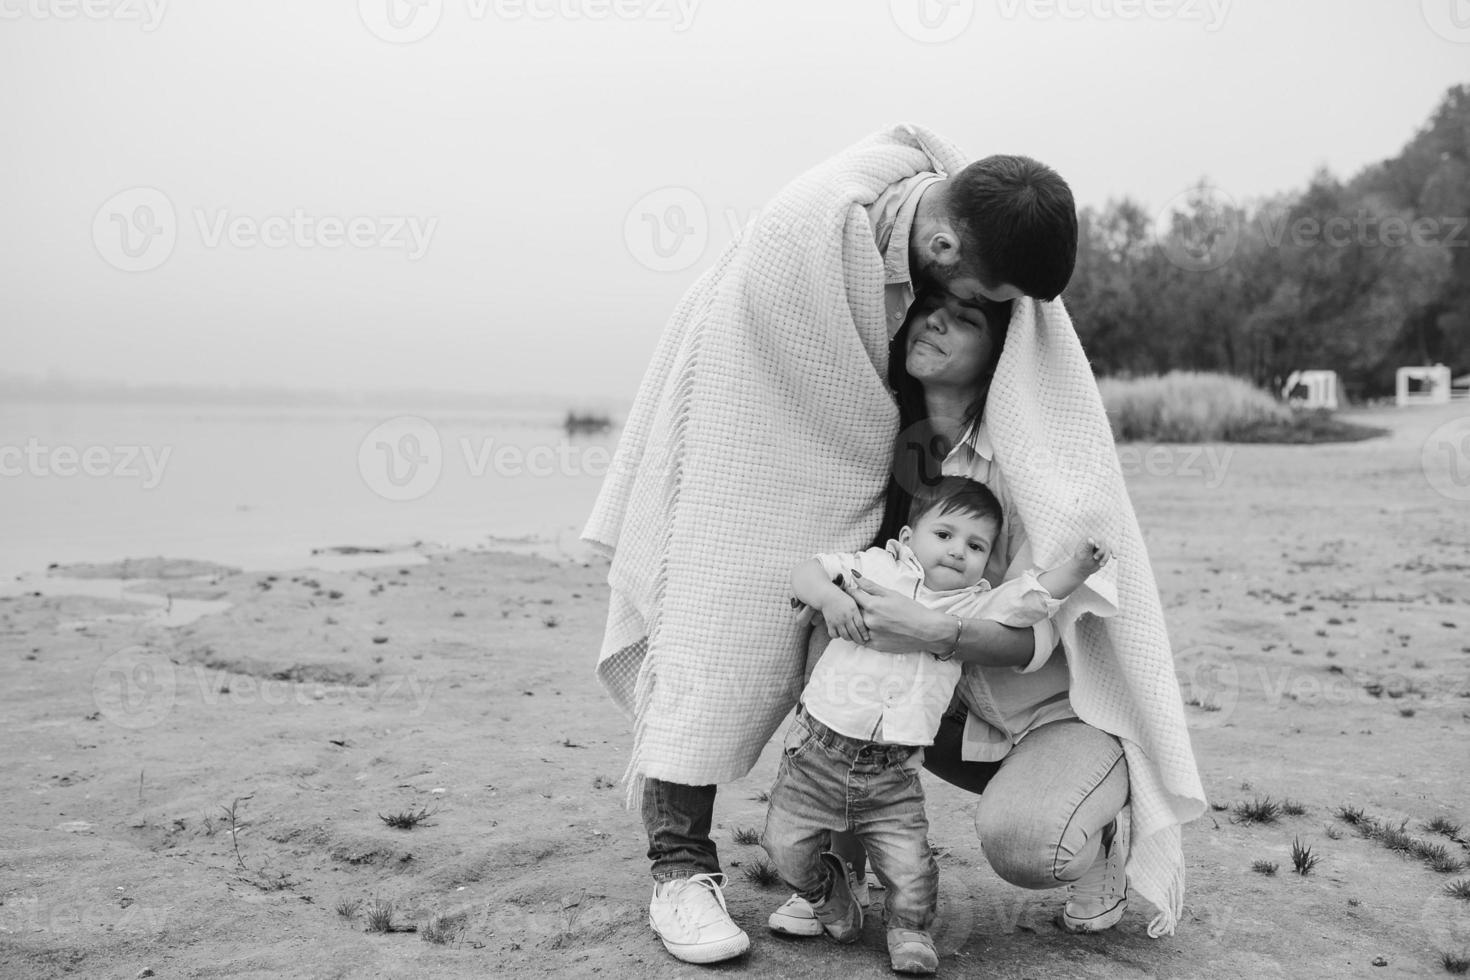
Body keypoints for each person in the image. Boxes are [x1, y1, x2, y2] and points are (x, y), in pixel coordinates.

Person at [583, 125, 1092, 966]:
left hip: (893, 465)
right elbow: (759, 354)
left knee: (875, 661)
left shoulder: (971, 234)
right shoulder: (811, 229)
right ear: (939, 242)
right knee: (710, 626)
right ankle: (680, 870)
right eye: (981, 293)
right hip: (751, 446)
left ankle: (849, 865)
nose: (987, 312)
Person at [768, 287, 1203, 944]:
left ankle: (1101, 824)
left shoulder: (1032, 465)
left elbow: (1031, 631)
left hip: (1051, 716)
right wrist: (834, 600)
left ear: (999, 351)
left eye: (964, 318)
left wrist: (932, 631)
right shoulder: (884, 439)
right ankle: (842, 868)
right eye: (928, 310)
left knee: (1027, 845)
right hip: (948, 710)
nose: (933, 321)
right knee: (829, 631)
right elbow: (820, 568)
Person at [764, 473, 1110, 974]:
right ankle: (827, 893)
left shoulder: (975, 606)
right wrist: (830, 598)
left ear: (986, 562)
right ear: (907, 539)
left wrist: (1078, 567)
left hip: (893, 768)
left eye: (975, 545)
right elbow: (808, 570)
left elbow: (1034, 597)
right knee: (784, 844)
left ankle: (908, 929)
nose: (956, 551)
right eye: (943, 535)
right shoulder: (874, 568)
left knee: (908, 864)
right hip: (815, 749)